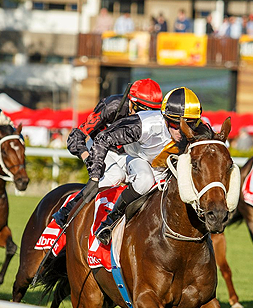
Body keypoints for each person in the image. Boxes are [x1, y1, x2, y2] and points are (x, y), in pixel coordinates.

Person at [86, 87, 203, 245]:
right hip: (138, 159)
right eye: (176, 124)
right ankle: (110, 221)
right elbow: (102, 139)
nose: (182, 131)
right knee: (145, 181)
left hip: (167, 169)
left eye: (189, 124)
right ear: (166, 118)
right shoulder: (145, 124)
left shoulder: (200, 129)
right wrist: (94, 177)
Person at [51, 78, 163, 227]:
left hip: (126, 151)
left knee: (146, 180)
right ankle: (67, 211)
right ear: (131, 102)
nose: (144, 117)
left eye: (152, 112)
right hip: (99, 146)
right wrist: (89, 161)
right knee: (116, 175)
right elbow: (75, 137)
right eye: (142, 110)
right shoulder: (112, 106)